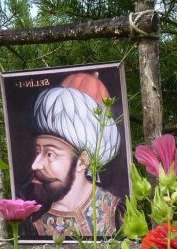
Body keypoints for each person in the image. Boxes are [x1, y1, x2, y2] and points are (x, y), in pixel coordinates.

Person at [20, 85, 125, 238]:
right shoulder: (33, 223)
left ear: (83, 161)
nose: (35, 165)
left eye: (50, 154)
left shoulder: (116, 211)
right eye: (37, 152)